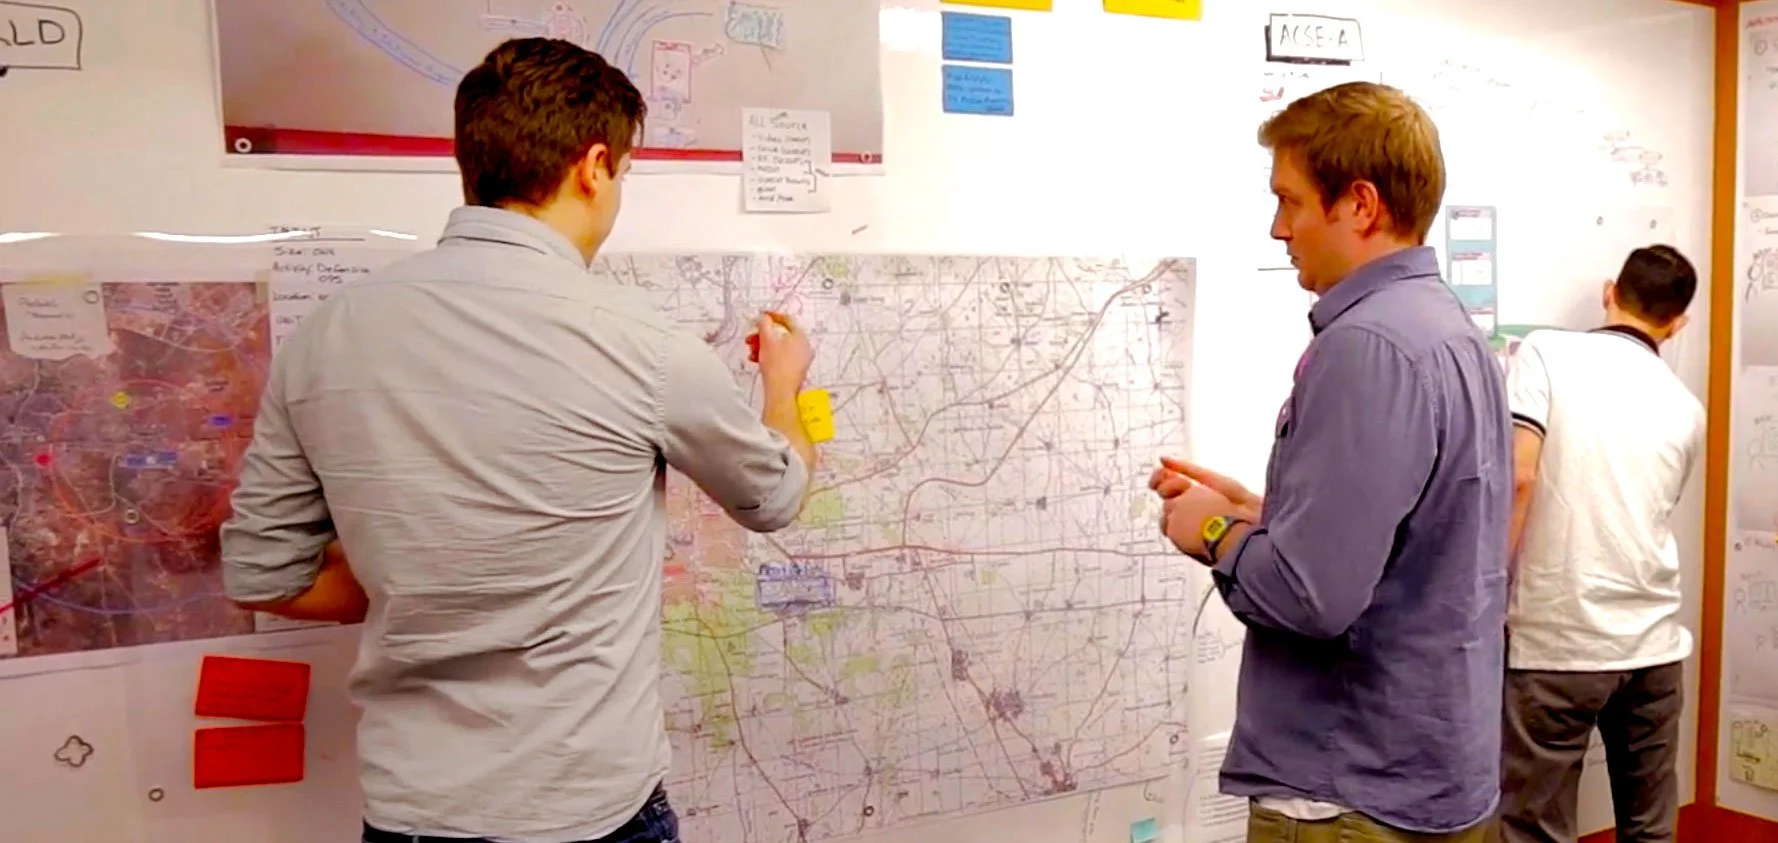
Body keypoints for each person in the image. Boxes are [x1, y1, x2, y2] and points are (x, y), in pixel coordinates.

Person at [220, 38, 819, 843]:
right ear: (594, 166)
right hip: (591, 816)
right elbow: (776, 495)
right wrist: (785, 382)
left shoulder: (328, 334)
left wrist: (421, 582)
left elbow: (264, 572)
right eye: (626, 174)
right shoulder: (637, 341)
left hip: (409, 816)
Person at [1148, 81, 1510, 842]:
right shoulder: (1447, 330)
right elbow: (1414, 541)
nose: (1278, 229)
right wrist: (1263, 511)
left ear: (1361, 204)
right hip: (1426, 777)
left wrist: (1211, 530)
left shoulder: (1366, 347)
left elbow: (1311, 598)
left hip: (1347, 796)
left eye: (1290, 201)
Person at [1497, 246, 1704, 843]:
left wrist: (1488, 593)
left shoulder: (1545, 352)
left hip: (1558, 643)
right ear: (1677, 322)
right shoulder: (1685, 408)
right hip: (1654, 645)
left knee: (1535, 829)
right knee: (1649, 828)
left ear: (1610, 291)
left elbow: (1518, 477)